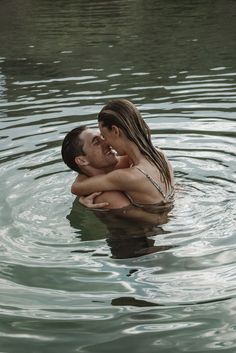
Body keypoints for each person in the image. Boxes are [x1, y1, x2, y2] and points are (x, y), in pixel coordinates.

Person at [71, 99, 175, 209]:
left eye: (104, 136)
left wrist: (83, 201)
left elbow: (76, 188)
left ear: (115, 131)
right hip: (171, 212)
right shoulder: (159, 155)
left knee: (102, 198)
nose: (105, 143)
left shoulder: (126, 176)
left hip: (144, 225)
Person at [61, 125, 131, 209]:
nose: (107, 142)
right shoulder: (105, 198)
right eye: (97, 142)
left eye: (102, 137)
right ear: (82, 161)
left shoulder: (128, 161)